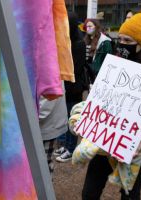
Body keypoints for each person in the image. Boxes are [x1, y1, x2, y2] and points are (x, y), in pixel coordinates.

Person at [76, 4, 141, 199]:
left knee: (130, 195)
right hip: (103, 143)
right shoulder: (114, 64)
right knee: (89, 192)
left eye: (127, 40)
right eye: (119, 38)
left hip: (135, 150)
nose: (121, 44)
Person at [54, 13, 88, 162]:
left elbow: (76, 68)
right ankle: (66, 145)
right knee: (65, 116)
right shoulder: (68, 41)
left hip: (74, 88)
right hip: (67, 86)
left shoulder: (79, 43)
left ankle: (71, 148)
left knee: (72, 118)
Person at [39, 88, 68, 176]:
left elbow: (49, 97)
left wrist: (27, 117)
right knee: (43, 163)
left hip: (46, 124)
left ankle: (45, 189)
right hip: (45, 122)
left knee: (43, 165)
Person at [83, 18, 113, 83]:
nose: (88, 28)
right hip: (88, 73)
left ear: (96, 27)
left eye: (90, 26)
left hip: (98, 75)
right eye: (87, 26)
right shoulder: (86, 39)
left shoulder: (104, 42)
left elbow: (108, 60)